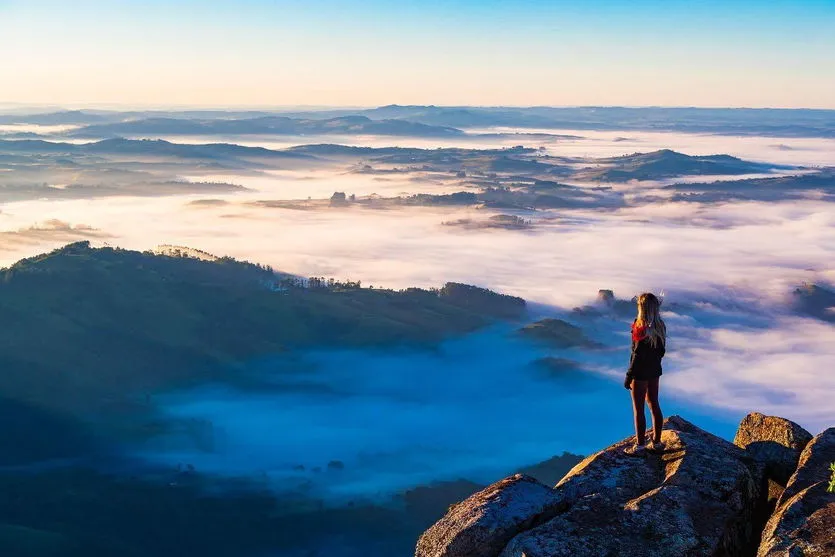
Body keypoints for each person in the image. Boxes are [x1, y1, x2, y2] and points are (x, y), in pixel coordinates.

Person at [623, 292, 666, 456]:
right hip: (655, 371)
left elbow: (636, 355)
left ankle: (640, 446)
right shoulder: (660, 326)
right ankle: (657, 442)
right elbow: (662, 351)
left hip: (640, 373)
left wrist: (629, 376)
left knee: (638, 409)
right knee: (654, 404)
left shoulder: (639, 326)